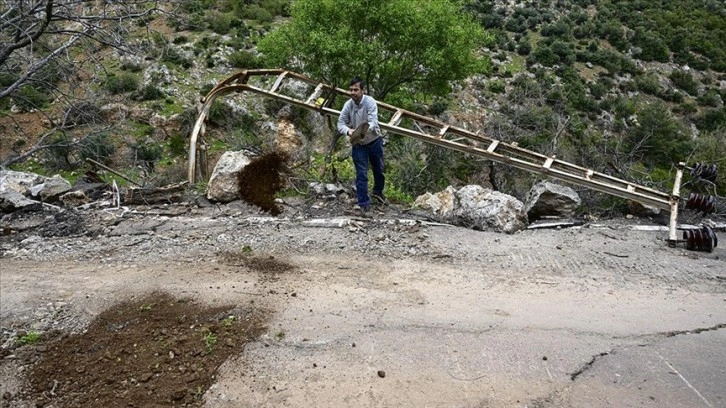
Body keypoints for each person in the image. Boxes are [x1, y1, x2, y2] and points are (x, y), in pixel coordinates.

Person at [337, 77, 385, 213]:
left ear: (362, 90)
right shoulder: (348, 105)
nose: (352, 93)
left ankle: (378, 193)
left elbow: (373, 121)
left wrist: (362, 130)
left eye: (355, 90)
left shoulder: (370, 102)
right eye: (351, 90)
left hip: (374, 141)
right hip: (358, 144)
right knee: (361, 173)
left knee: (378, 170)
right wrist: (349, 131)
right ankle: (363, 203)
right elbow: (340, 123)